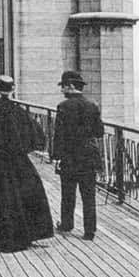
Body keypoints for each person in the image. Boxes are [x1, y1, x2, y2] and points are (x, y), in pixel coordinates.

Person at [0, 75, 54, 252]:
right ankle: (25, 234)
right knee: (24, 195)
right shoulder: (20, 113)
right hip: (18, 164)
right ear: (13, 90)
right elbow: (38, 138)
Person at [51, 70, 104, 241]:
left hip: (70, 156)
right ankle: (90, 231)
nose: (62, 90)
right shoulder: (93, 105)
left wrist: (56, 156)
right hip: (89, 156)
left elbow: (58, 135)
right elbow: (100, 132)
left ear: (71, 86)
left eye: (64, 86)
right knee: (89, 196)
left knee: (68, 193)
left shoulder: (63, 107)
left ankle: (67, 224)